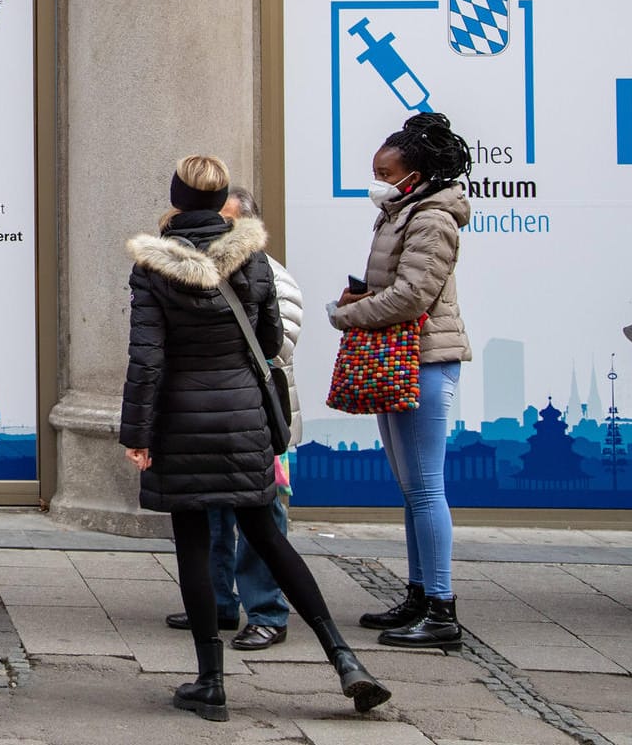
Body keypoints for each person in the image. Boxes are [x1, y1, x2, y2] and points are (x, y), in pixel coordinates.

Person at [123, 155, 388, 722]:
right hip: (243, 418)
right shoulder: (254, 258)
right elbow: (268, 341)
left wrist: (137, 435)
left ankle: (210, 683)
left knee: (192, 544)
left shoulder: (152, 268)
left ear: (176, 199)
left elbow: (147, 359)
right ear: (222, 203)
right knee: (269, 537)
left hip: (181, 422)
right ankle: (345, 660)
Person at [331, 112, 472, 651]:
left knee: (426, 487)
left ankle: (440, 609)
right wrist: (362, 294)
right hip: (405, 357)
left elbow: (414, 295)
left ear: (416, 174)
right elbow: (394, 285)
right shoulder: (402, 212)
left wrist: (346, 314)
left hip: (425, 359)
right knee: (413, 489)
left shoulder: (432, 219)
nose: (379, 181)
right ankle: (418, 595)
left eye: (386, 172)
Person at [163, 186, 303, 651]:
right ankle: (220, 602)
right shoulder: (192, 272)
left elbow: (277, 345)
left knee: (264, 520)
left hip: (254, 421)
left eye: (222, 219)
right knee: (214, 515)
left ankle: (267, 613)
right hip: (217, 416)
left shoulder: (268, 273)